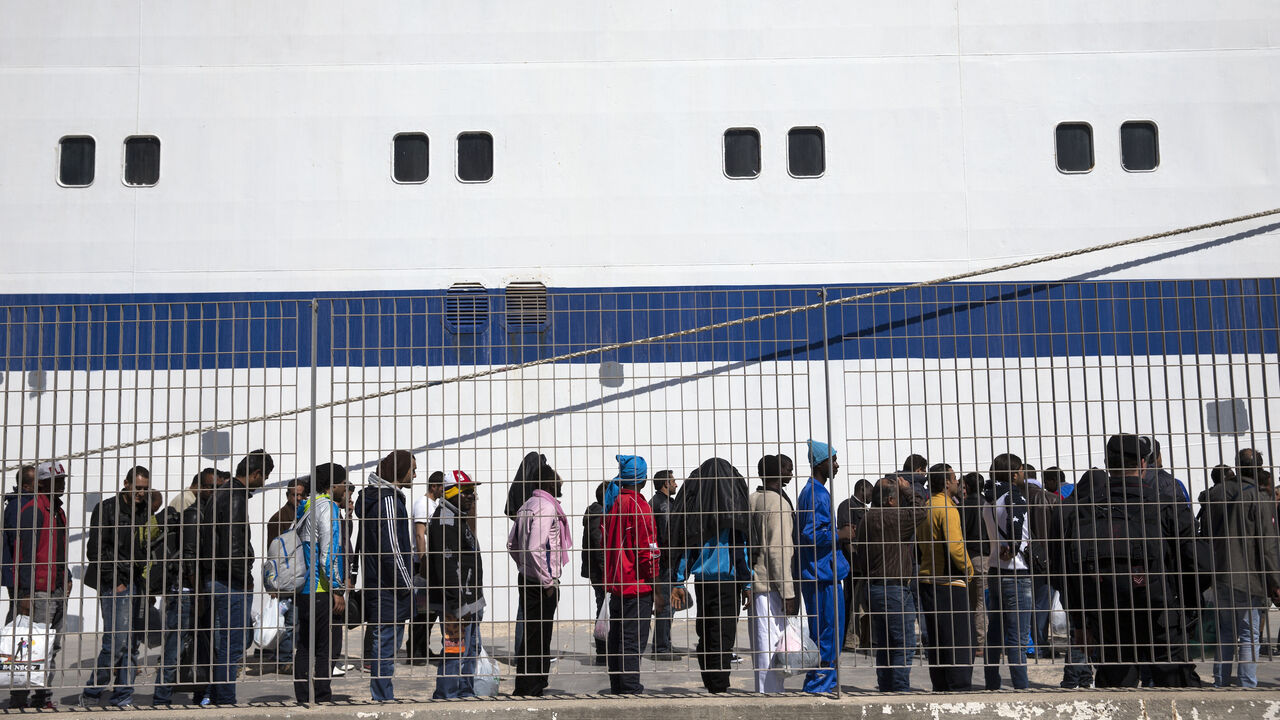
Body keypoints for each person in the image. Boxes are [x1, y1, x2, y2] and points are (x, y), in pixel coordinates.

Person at [1062, 434, 1210, 687]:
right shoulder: (1167, 506)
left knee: (1116, 694)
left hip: (1108, 618)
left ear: (1108, 465)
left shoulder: (1083, 510)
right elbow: (1199, 566)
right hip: (1162, 616)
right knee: (1176, 690)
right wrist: (1184, 607)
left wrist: (1080, 622)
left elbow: (1069, 574)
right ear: (1144, 463)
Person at [1197, 449, 1280, 688]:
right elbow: (1268, 544)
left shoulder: (1217, 493)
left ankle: (1220, 682)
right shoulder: (1258, 497)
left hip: (1221, 573)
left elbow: (1208, 533)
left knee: (1225, 631)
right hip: (1249, 576)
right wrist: (1275, 580)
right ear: (1259, 468)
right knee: (1248, 635)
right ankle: (1246, 685)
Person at [671, 458, 751, 694]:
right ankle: (719, 683)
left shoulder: (697, 517)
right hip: (727, 581)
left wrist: (678, 580)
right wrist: (746, 583)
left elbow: (686, 552)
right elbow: (741, 552)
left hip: (703, 582)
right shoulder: (734, 517)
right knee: (723, 633)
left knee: (705, 629)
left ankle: (710, 677)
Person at [199, 451, 273, 705]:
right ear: (255, 474)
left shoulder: (223, 492)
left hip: (218, 577)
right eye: (264, 477)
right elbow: (232, 545)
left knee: (224, 644)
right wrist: (244, 577)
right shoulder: (235, 497)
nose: (264, 483)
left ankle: (215, 695)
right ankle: (225, 699)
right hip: (230, 581)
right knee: (232, 645)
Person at [80, 466, 153, 708]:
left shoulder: (144, 508)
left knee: (131, 643)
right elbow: (95, 551)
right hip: (116, 584)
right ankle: (92, 691)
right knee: (116, 642)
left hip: (136, 583)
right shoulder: (107, 508)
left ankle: (123, 695)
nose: (141, 493)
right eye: (138, 488)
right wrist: (117, 582)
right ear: (126, 483)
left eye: (145, 488)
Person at [2, 462, 68, 710]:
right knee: (30, 644)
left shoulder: (55, 509)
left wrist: (67, 576)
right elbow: (25, 554)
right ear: (41, 483)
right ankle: (20, 697)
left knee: (51, 644)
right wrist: (26, 593)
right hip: (38, 588)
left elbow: (56, 548)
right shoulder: (33, 508)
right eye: (57, 480)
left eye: (63, 479)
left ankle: (42, 696)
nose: (62, 484)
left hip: (56, 585)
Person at [852, 475, 925, 692]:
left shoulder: (867, 519)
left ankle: (886, 687)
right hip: (893, 589)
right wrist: (908, 489)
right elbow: (921, 511)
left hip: (873, 587)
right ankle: (900, 689)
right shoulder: (892, 517)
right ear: (891, 500)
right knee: (904, 643)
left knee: (884, 644)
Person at [153, 468, 219, 705]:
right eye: (212, 487)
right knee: (176, 645)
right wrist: (197, 590)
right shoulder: (190, 510)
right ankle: (162, 696)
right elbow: (189, 556)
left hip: (194, 587)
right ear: (200, 486)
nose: (215, 492)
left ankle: (200, 692)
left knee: (200, 646)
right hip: (186, 589)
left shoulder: (202, 509)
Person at [356, 450, 416, 702]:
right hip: (389, 589)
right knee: (386, 647)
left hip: (381, 586)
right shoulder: (388, 500)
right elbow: (391, 549)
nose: (415, 473)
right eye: (412, 468)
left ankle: (383, 695)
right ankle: (382, 698)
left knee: (385, 645)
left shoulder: (379, 498)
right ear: (399, 470)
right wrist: (408, 585)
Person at [507, 462, 571, 696]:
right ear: (547, 482)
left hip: (527, 578)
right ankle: (532, 687)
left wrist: (524, 567)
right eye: (557, 478)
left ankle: (531, 683)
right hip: (542, 583)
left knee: (533, 635)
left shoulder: (528, 504)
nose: (561, 482)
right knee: (539, 636)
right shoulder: (546, 506)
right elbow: (535, 547)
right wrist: (547, 580)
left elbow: (512, 545)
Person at [603, 454, 660, 694]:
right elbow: (648, 551)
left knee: (617, 637)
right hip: (636, 584)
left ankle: (618, 683)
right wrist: (657, 587)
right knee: (632, 639)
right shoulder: (638, 505)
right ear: (642, 479)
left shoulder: (616, 502)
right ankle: (629, 686)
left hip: (617, 583)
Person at [796, 439, 849, 694]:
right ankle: (819, 684)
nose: (837, 465)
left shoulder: (815, 492)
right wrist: (841, 534)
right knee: (828, 633)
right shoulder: (816, 494)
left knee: (827, 632)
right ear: (821, 463)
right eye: (833, 460)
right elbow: (811, 534)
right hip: (822, 574)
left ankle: (824, 682)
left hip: (822, 572)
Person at [293, 463, 348, 704]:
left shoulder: (306, 506)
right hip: (321, 588)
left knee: (305, 645)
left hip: (304, 588)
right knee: (326, 646)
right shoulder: (328, 508)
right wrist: (337, 588)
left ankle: (303, 695)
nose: (346, 488)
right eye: (344, 484)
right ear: (332, 485)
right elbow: (329, 553)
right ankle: (323, 696)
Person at [428, 470, 486, 699]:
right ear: (452, 493)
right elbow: (447, 567)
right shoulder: (446, 521)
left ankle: (464, 692)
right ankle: (447, 695)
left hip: (469, 601)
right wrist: (458, 604)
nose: (473, 496)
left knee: (469, 649)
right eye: (468, 491)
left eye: (474, 491)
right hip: (456, 604)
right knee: (454, 649)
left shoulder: (457, 517)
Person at [917, 462, 974, 691]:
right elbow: (955, 547)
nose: (958, 482)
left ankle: (940, 686)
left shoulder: (927, 506)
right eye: (954, 478)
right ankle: (958, 687)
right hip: (949, 582)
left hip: (928, 579)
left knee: (938, 640)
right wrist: (968, 569)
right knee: (959, 641)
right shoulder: (948, 509)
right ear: (947, 482)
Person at [981, 453, 1036, 691]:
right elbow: (1015, 528)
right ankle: (1021, 687)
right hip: (1016, 573)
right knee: (1018, 637)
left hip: (995, 570)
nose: (1024, 474)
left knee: (995, 632)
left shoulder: (989, 500)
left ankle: (992, 683)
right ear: (1014, 473)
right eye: (1022, 470)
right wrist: (1013, 547)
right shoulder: (1015, 497)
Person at [748, 454, 799, 693]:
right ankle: (771, 697)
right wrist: (788, 592)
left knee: (762, 645)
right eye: (786, 468)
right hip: (772, 586)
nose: (790, 472)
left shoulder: (752, 499)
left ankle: (766, 693)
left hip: (757, 581)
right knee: (773, 647)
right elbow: (778, 552)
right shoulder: (778, 504)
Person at [263, 479, 308, 673]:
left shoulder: (305, 515)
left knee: (295, 621)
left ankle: (288, 656)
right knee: (288, 621)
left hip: (301, 576)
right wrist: (272, 586)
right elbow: (272, 554)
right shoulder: (278, 518)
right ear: (287, 495)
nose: (298, 498)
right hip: (284, 580)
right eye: (293, 495)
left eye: (301, 495)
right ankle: (284, 660)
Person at [409, 470, 445, 664]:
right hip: (423, 565)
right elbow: (419, 534)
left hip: (430, 563)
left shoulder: (433, 505)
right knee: (423, 611)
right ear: (434, 486)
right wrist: (423, 561)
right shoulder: (423, 505)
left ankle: (422, 648)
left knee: (429, 611)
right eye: (442, 487)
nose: (443, 491)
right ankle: (416, 651)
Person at [837, 478, 873, 650]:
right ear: (862, 489)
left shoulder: (864, 509)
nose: (872, 496)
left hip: (862, 564)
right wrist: (854, 561)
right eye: (870, 492)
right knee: (849, 600)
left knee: (861, 602)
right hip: (852, 565)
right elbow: (847, 538)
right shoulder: (847, 506)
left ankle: (862, 637)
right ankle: (845, 639)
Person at [648, 469, 679, 659]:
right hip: (665, 563)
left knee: (670, 604)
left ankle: (664, 643)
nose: (676, 484)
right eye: (673, 481)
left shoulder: (659, 502)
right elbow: (668, 534)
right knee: (667, 604)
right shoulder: (663, 505)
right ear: (665, 484)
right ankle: (661, 648)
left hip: (663, 562)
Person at [959, 471, 989, 656]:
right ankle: (981, 642)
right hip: (985, 558)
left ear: (967, 487)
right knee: (981, 602)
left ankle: (975, 641)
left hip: (966, 557)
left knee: (971, 602)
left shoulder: (961, 507)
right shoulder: (988, 505)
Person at [580, 482, 608, 664]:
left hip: (599, 571)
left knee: (604, 609)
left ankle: (604, 651)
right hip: (602, 573)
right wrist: (607, 572)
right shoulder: (599, 514)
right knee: (604, 610)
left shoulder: (597, 512)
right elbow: (600, 547)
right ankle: (603, 652)